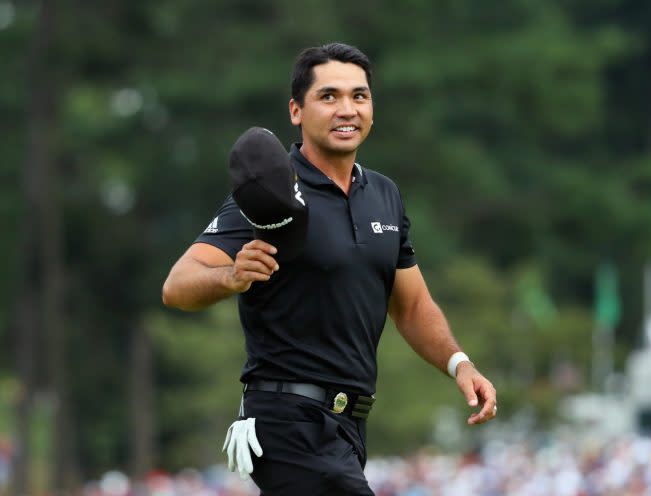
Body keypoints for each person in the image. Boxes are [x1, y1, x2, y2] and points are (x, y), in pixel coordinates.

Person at [162, 42, 497, 495]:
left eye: (359, 96)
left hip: (349, 430)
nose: (347, 109)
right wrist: (230, 276)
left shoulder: (384, 194)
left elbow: (413, 306)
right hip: (287, 420)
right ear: (296, 111)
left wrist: (460, 365)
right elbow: (177, 286)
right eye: (329, 96)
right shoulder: (274, 190)